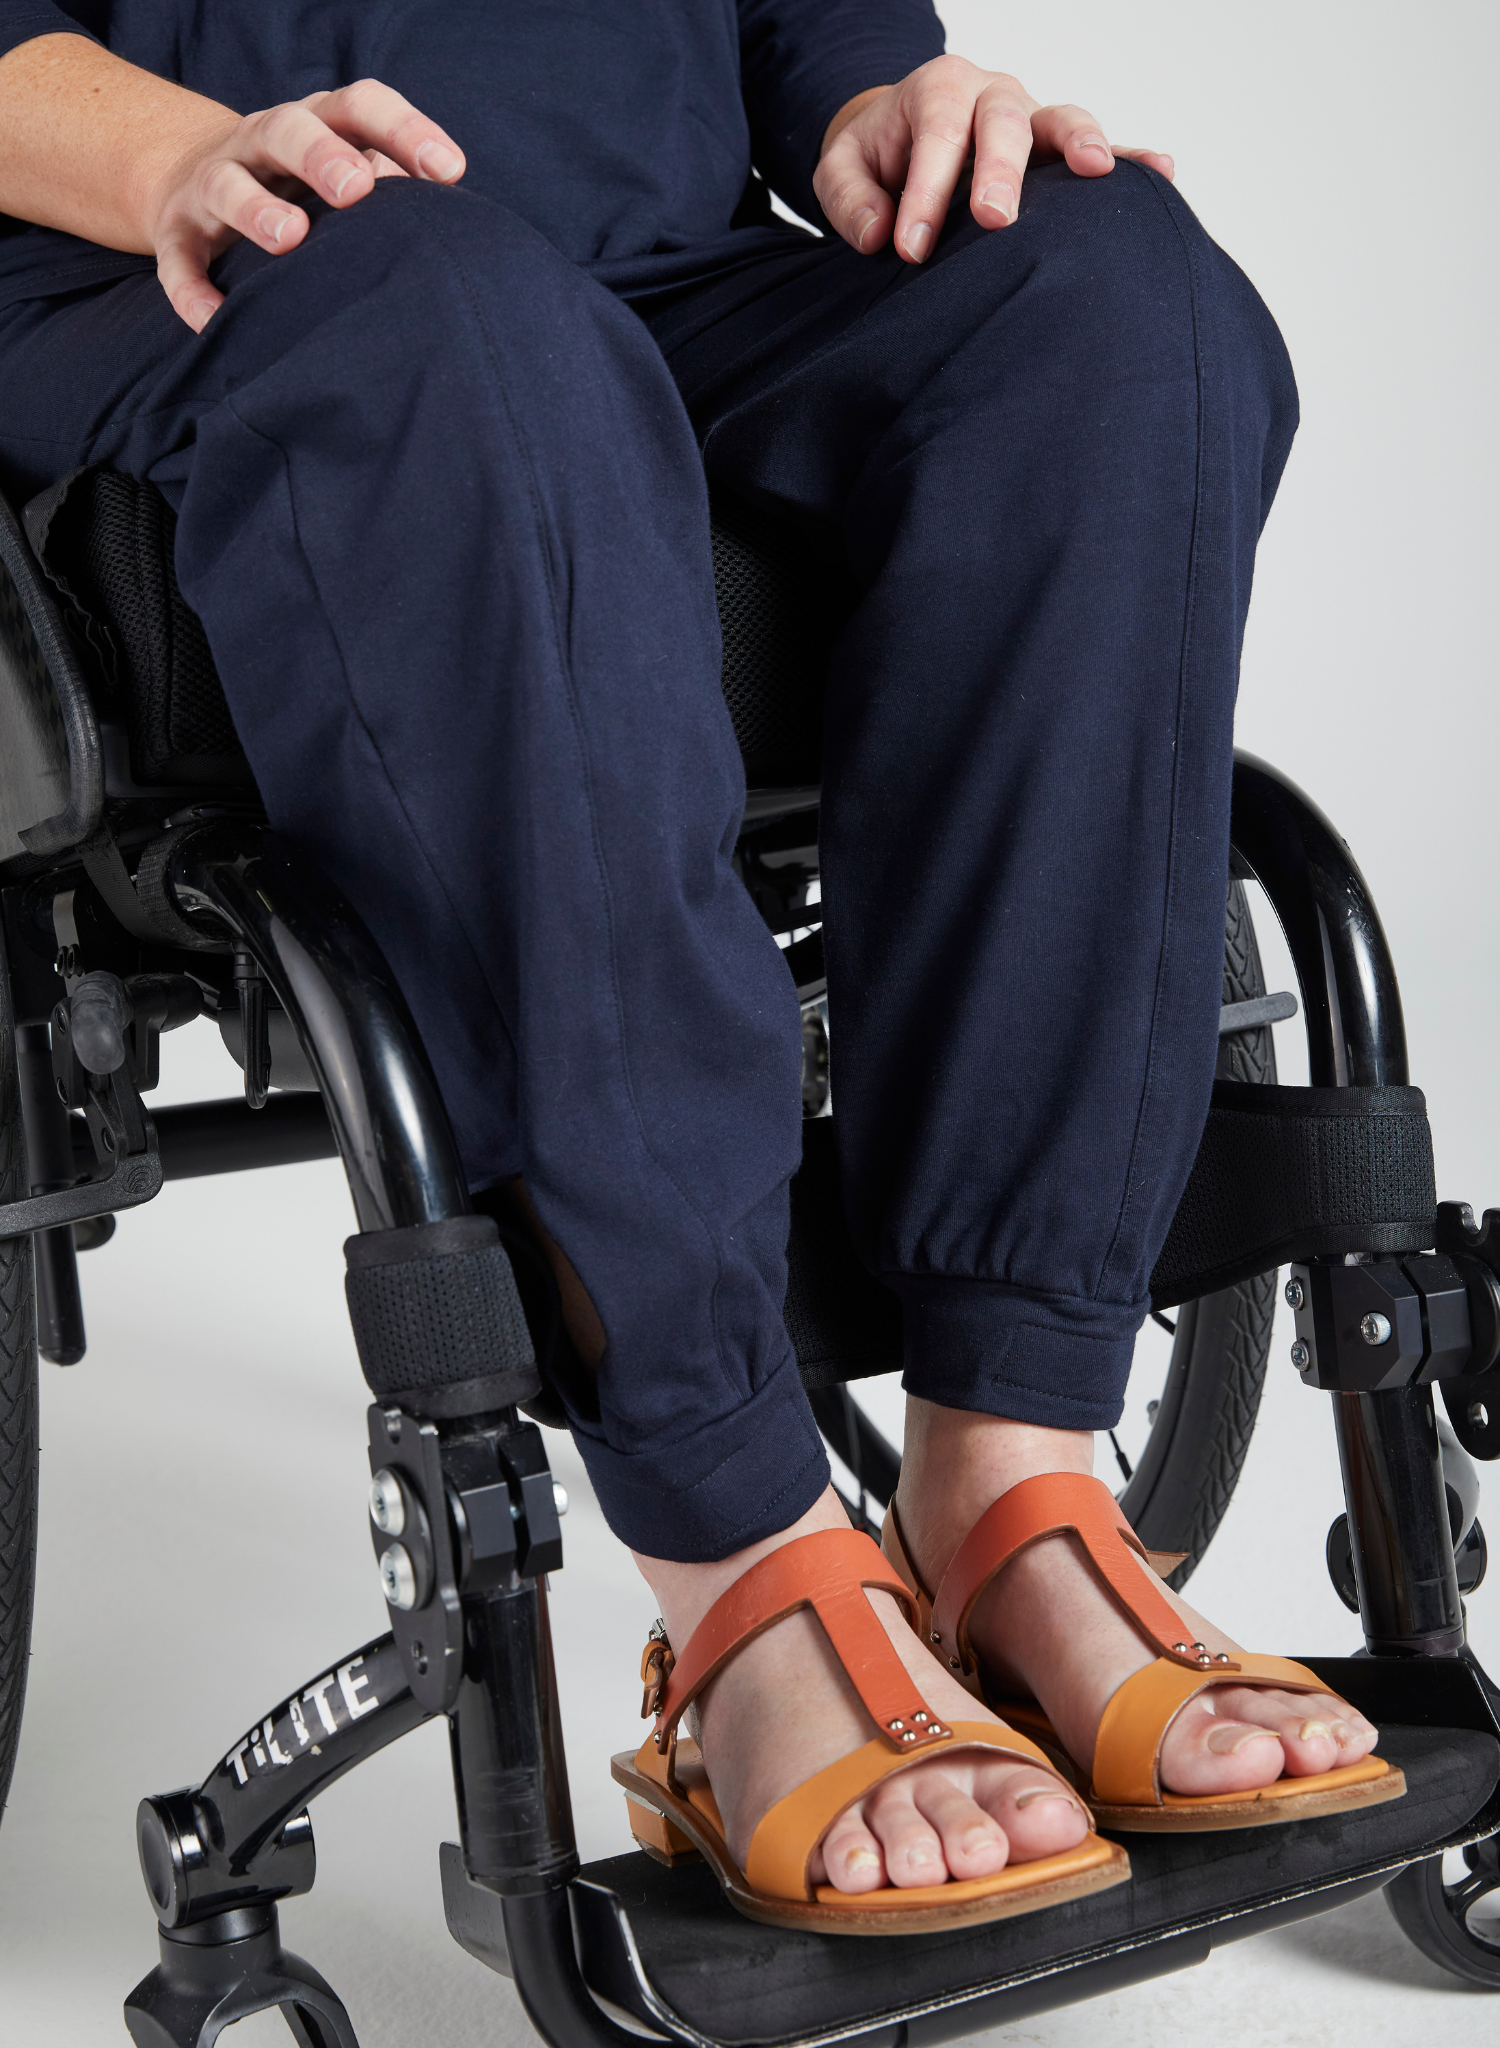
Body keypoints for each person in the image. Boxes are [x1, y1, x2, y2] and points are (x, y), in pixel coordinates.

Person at [0, 3, 1391, 1932]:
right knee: (437, 309)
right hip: (207, 287)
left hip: (670, 285)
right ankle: (740, 1554)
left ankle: (1012, 1470)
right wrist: (167, 153)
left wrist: (879, 103)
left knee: (1111, 287)